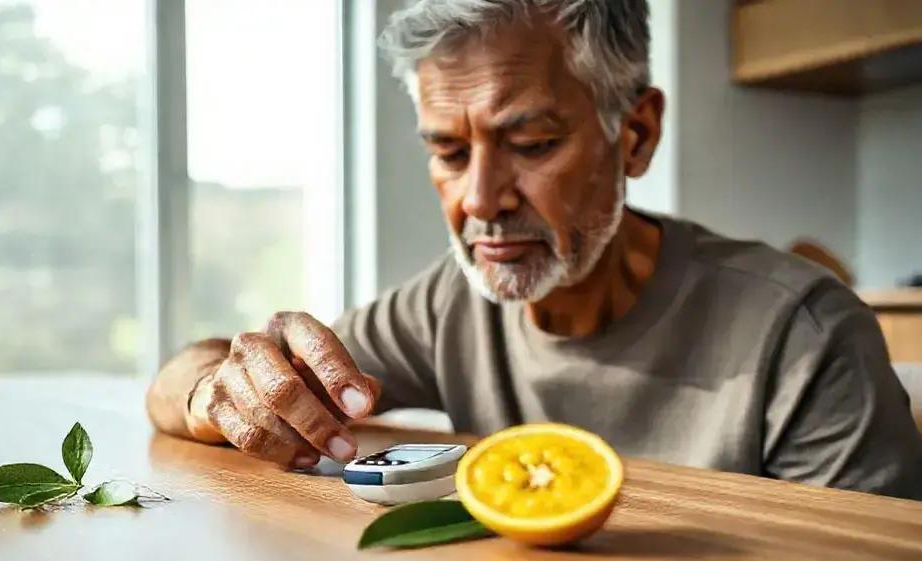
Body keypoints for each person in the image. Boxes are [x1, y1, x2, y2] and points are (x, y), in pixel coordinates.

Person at [147, 0, 922, 499]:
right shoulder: (445, 306)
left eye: (532, 143)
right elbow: (184, 379)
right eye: (450, 153)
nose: (481, 200)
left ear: (637, 135)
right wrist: (218, 386)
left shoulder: (803, 334)